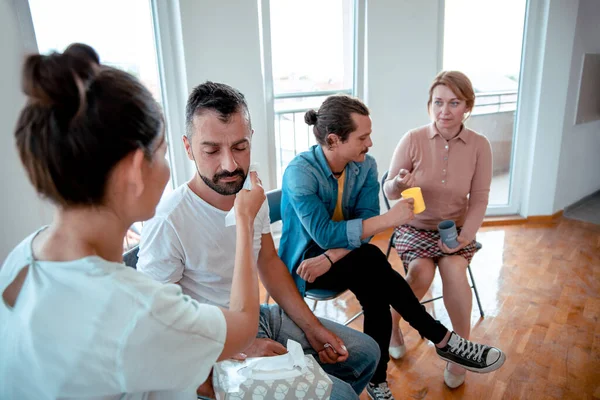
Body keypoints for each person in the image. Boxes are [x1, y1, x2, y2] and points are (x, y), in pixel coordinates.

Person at [0, 44, 266, 400]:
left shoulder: (22, 258)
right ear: (136, 169)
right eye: (162, 152)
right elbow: (245, 325)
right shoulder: (140, 312)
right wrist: (245, 219)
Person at [137, 81, 380, 400]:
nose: (230, 165)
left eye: (240, 147)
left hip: (259, 317)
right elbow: (152, 323)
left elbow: (268, 262)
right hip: (209, 340)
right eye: (211, 150)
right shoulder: (170, 218)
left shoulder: (252, 194)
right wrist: (235, 349)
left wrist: (311, 326)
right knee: (341, 396)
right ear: (187, 147)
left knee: (365, 355)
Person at [278, 94, 505, 399]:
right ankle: (442, 340)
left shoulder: (364, 166)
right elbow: (324, 234)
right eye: (363, 136)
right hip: (308, 264)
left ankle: (380, 374)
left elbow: (366, 224)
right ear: (333, 140)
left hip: (341, 258)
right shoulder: (299, 172)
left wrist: (333, 257)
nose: (370, 143)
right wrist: (388, 219)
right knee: (371, 261)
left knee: (375, 292)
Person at [383, 70, 493, 388]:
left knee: (454, 272)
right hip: (414, 226)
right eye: (438, 102)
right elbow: (390, 190)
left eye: (454, 103)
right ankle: (392, 323)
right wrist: (399, 183)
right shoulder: (413, 138)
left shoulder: (479, 146)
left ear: (467, 106)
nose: (444, 111)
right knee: (422, 274)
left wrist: (463, 238)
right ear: (430, 104)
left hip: (454, 229)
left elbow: (481, 198)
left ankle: (460, 351)